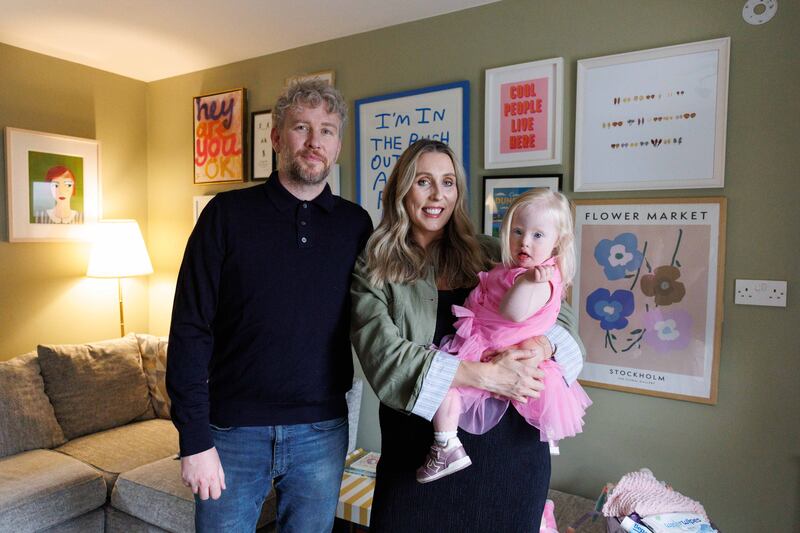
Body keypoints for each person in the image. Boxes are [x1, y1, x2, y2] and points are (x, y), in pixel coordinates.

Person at [166, 79, 373, 532]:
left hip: (322, 431)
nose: (315, 141)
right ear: (277, 137)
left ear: (338, 146)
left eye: (327, 130)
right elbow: (189, 329)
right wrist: (193, 440)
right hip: (232, 432)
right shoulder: (225, 215)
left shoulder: (356, 225)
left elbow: (382, 316)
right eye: (301, 127)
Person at [350, 139, 586, 531]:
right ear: (401, 189)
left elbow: (565, 324)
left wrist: (541, 346)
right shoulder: (375, 267)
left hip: (509, 462)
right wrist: (487, 376)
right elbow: (384, 357)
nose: (437, 195)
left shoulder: (492, 253)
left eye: (448, 182)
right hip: (419, 460)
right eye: (423, 182)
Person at [417, 188, 592, 483]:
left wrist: (527, 289)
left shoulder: (536, 276)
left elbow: (515, 313)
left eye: (538, 235)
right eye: (517, 231)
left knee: (445, 384)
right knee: (445, 382)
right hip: (487, 343)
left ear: (558, 243)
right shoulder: (512, 264)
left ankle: (446, 444)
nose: (524, 242)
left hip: (493, 347)